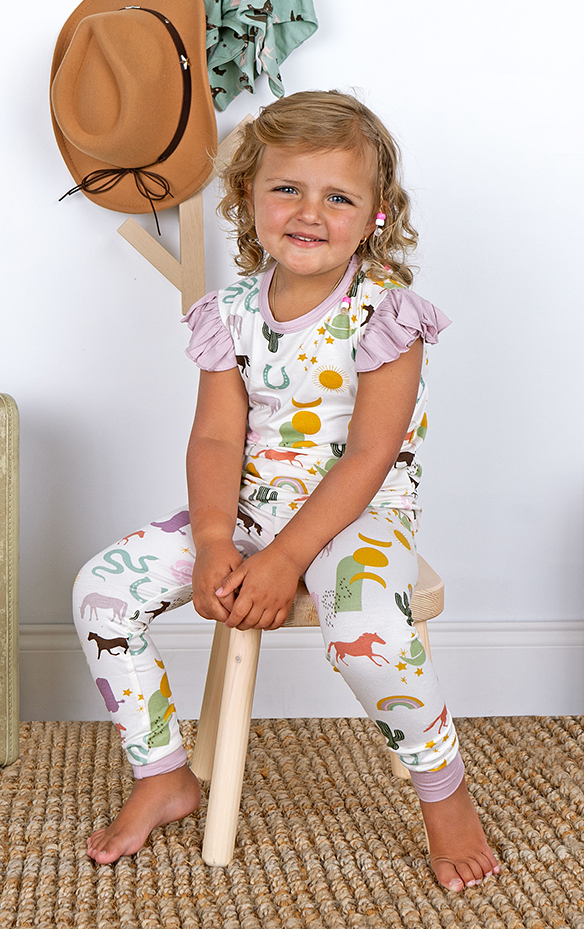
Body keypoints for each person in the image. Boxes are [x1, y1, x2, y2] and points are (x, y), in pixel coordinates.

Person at [72, 90, 499, 891]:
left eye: (338, 196)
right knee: (100, 591)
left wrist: (288, 558)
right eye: (288, 189)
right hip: (247, 511)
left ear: (376, 214)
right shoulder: (229, 313)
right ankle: (162, 773)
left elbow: (370, 454)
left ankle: (445, 795)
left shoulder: (385, 314)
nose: (310, 212)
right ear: (247, 200)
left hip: (357, 514)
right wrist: (210, 542)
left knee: (367, 631)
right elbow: (214, 437)